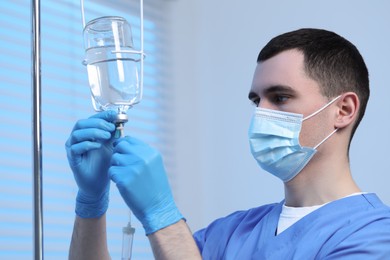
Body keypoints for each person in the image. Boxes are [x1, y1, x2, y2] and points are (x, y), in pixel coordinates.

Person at [66, 28, 390, 259]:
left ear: (343, 110)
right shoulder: (233, 232)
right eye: (256, 100)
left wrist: (161, 216)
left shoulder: (373, 237)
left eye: (280, 97)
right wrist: (91, 203)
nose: (261, 113)